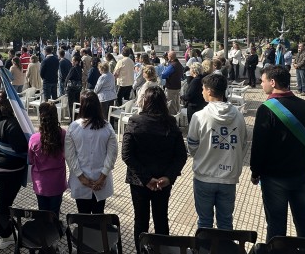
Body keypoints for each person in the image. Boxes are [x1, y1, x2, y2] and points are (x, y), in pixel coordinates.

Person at [250, 65, 305, 241]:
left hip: (274, 176)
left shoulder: (266, 109)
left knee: (276, 222)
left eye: (263, 80)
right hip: (301, 172)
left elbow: (259, 145)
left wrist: (255, 171)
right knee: (303, 218)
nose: (261, 84)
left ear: (272, 82)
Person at [122, 86, 186, 251]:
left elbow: (127, 155)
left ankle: (140, 250)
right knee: (161, 219)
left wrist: (145, 178)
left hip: (139, 181)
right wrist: (168, 177)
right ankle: (162, 249)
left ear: (145, 102)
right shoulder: (170, 122)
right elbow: (181, 155)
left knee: (141, 220)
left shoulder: (135, 121)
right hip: (162, 181)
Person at [188, 74, 247, 231]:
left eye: (202, 89)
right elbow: (243, 144)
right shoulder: (239, 116)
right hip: (229, 178)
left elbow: (192, 145)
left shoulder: (199, 116)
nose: (201, 92)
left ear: (208, 90)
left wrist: (203, 155)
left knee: (205, 222)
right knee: (226, 223)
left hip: (204, 176)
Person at [0, 90, 28, 250]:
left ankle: (2, 220)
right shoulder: (12, 124)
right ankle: (5, 234)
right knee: (4, 204)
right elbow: (21, 147)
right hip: (7, 171)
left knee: (3, 199)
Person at [65, 91, 118, 214]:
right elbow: (112, 155)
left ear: (82, 106)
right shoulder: (107, 127)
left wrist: (81, 177)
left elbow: (70, 156)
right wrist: (102, 177)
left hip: (80, 181)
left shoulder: (73, 127)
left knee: (82, 216)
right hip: (101, 181)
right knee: (99, 215)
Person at [28, 102, 68, 217]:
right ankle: (55, 230)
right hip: (57, 182)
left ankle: (44, 232)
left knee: (43, 212)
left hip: (40, 183)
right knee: (55, 212)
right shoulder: (63, 134)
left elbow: (30, 160)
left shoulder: (34, 139)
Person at [162, 51, 184, 115]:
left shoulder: (172, 65)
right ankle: (177, 117)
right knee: (176, 103)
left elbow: (164, 75)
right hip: (177, 86)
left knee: (171, 105)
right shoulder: (179, 64)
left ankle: (173, 119)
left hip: (171, 87)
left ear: (170, 57)